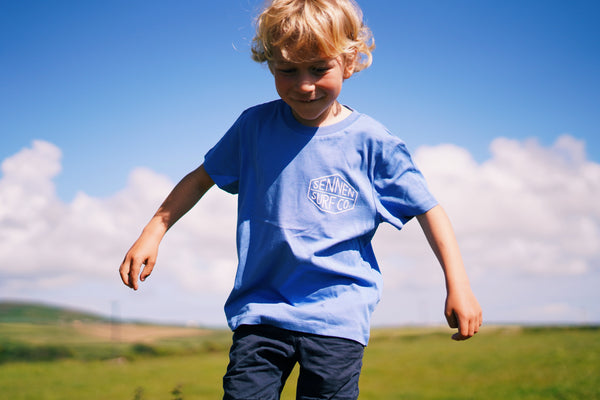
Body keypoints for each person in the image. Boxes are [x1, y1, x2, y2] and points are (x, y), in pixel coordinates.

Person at [119, 0, 482, 398]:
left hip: (337, 317)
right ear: (269, 64)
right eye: (287, 70)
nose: (304, 85)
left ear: (349, 61)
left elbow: (428, 208)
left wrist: (458, 284)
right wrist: (154, 229)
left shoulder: (373, 142)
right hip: (261, 312)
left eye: (319, 68)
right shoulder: (254, 127)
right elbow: (201, 178)